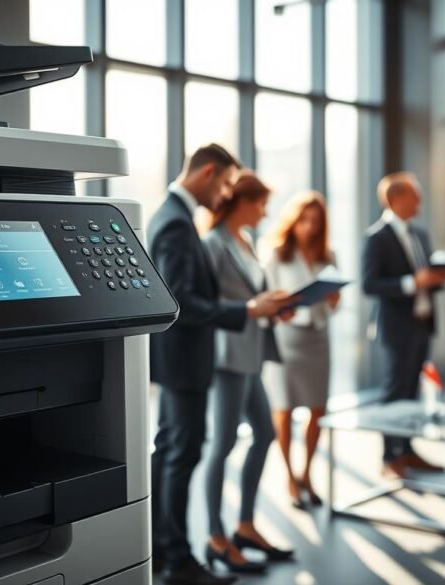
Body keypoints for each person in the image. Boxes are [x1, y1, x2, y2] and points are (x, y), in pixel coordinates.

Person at [149, 144, 293, 585]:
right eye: (228, 183)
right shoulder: (175, 223)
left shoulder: (174, 217)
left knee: (174, 451)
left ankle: (161, 551)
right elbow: (182, 302)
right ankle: (176, 560)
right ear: (210, 173)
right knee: (181, 453)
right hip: (184, 359)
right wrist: (247, 311)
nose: (227, 193)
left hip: (183, 359)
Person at [200, 173, 295, 575]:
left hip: (252, 353)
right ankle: (216, 537)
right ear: (242, 202)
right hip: (228, 357)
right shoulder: (213, 244)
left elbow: (254, 297)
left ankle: (245, 526)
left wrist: (278, 307)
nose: (265, 212)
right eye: (261, 204)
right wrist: (257, 305)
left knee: (265, 433)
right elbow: (206, 303)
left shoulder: (246, 242)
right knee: (221, 445)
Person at [361, 172, 445, 480]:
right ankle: (389, 457)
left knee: (412, 390)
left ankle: (408, 451)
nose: (420, 202)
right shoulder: (377, 237)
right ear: (396, 199)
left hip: (422, 323)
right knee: (395, 391)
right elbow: (370, 285)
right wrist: (411, 282)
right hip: (396, 326)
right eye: (415, 195)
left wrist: (437, 279)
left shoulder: (420, 235)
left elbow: (426, 276)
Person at [263, 191, 339, 509]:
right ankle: (289, 477)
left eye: (316, 222)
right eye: (305, 220)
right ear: (293, 221)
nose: (309, 227)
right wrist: (283, 307)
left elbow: (335, 299)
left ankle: (307, 472)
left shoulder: (328, 257)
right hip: (286, 340)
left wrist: (333, 301)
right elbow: (268, 299)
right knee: (284, 410)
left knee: (317, 409)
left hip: (318, 339)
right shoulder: (277, 255)